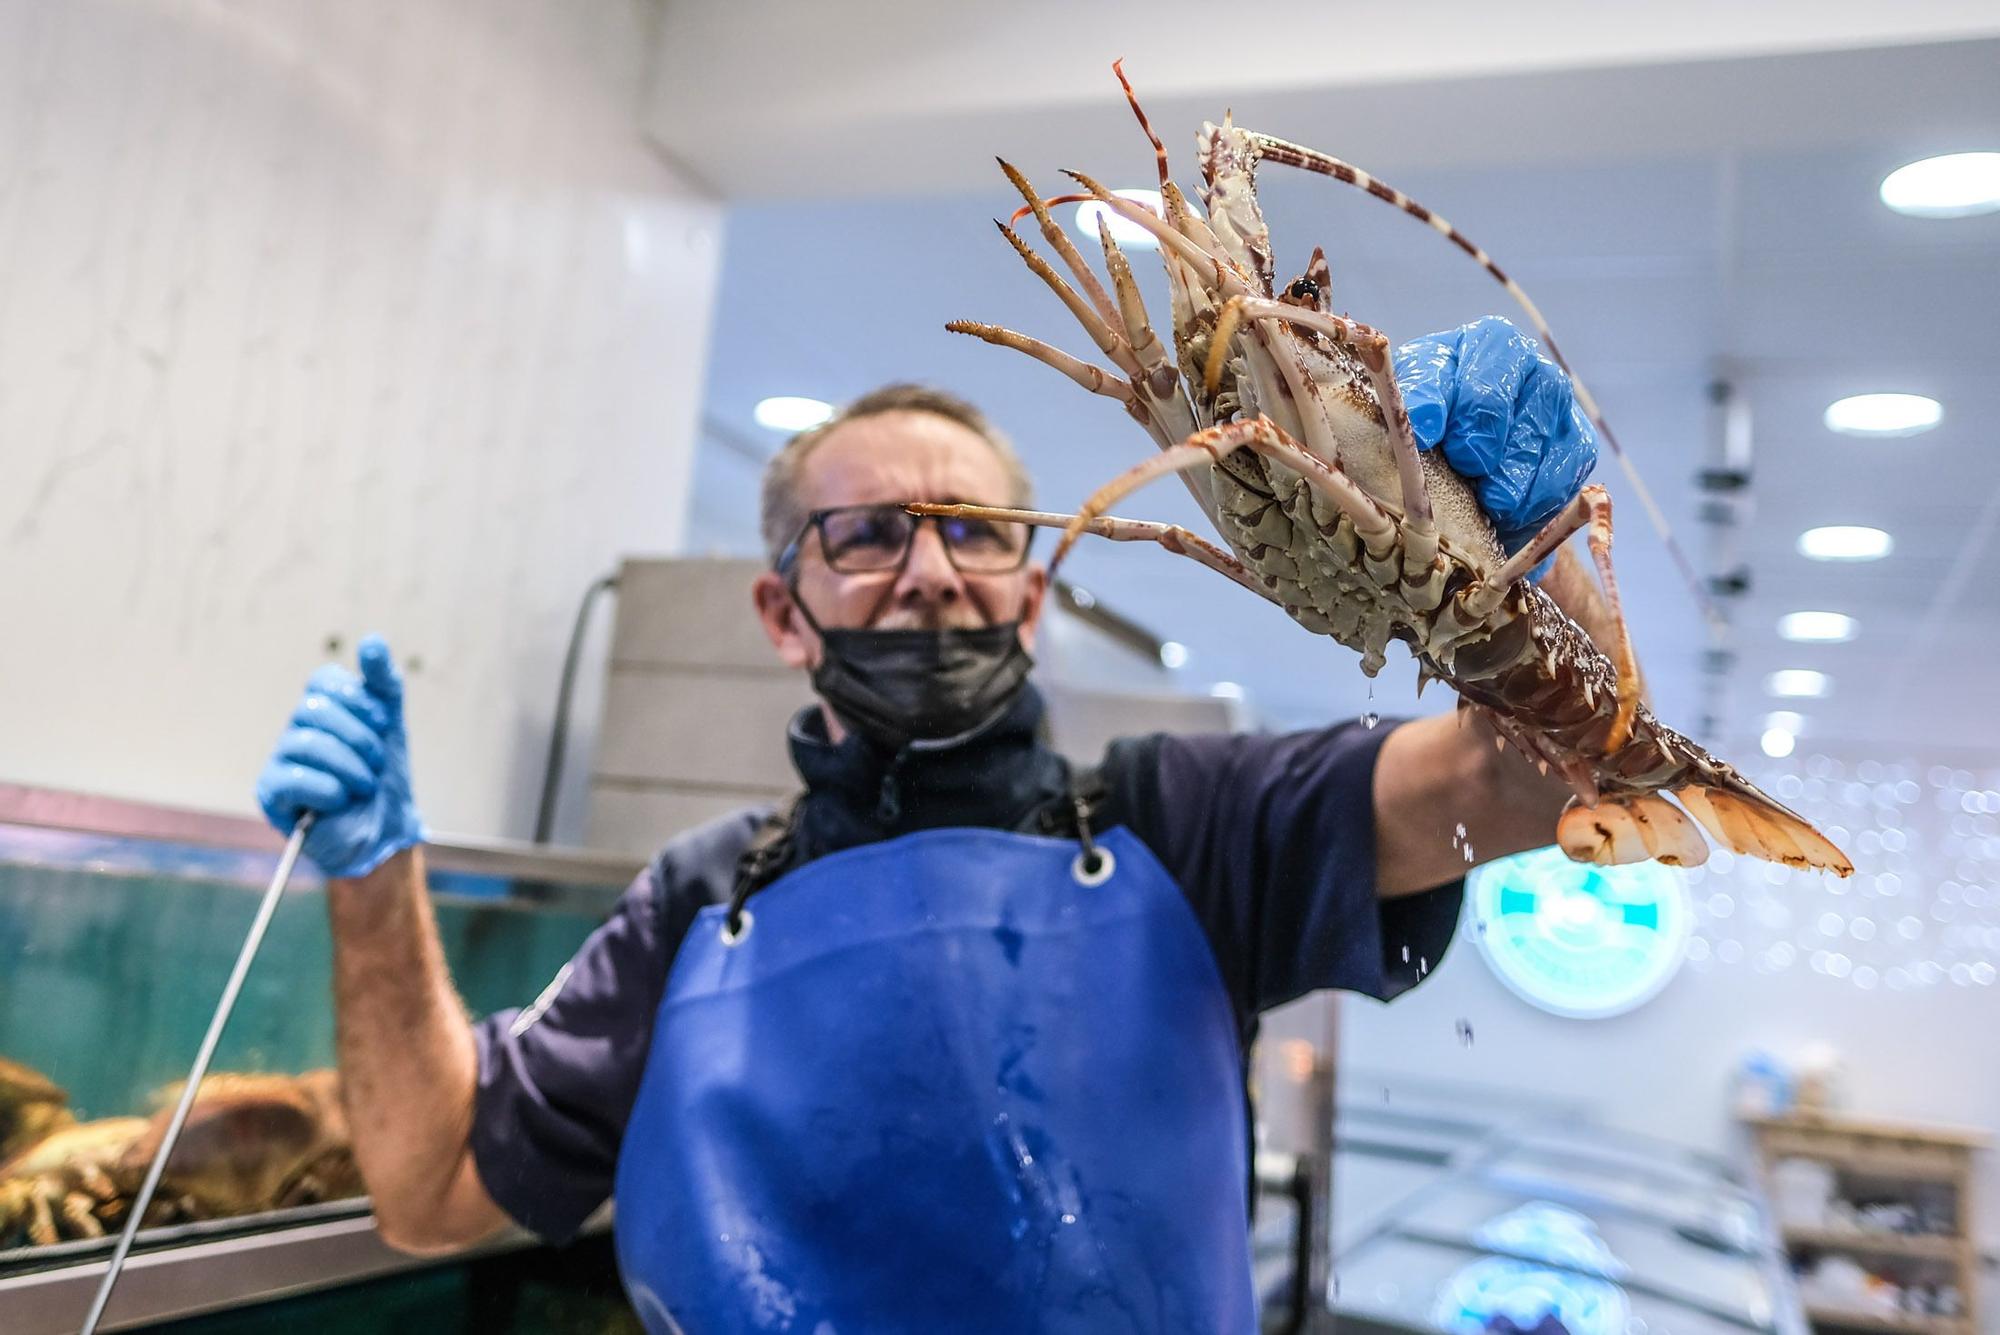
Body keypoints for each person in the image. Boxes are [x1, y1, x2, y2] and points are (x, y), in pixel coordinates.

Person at [257, 317, 1615, 1333]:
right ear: (782, 615)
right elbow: (431, 1187)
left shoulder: (1195, 820)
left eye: (975, 532)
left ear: (1031, 597)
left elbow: (1539, 781)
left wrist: (1542, 552)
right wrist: (376, 883)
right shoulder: (696, 900)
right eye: (866, 536)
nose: (928, 574)